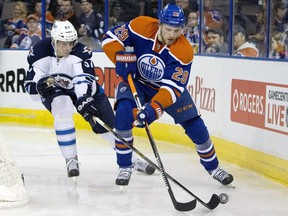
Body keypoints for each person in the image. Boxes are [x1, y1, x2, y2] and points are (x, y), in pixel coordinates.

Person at [102, 4, 234, 187]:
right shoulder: (141, 26)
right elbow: (109, 38)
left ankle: (213, 168)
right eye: (169, 29)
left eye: (177, 30)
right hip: (137, 82)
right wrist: (119, 57)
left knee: (196, 126)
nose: (172, 34)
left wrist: (152, 110)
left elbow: (171, 90)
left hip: (165, 88)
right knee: (123, 115)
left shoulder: (184, 51)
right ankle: (125, 165)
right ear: (160, 24)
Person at [24, 20, 155, 180]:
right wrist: (38, 88)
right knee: (62, 107)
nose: (67, 48)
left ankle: (132, 160)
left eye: (70, 43)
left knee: (108, 128)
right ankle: (71, 159)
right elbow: (32, 88)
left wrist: (83, 99)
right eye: (63, 44)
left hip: (88, 92)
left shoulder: (80, 52)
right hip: (58, 92)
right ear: (54, 41)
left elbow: (83, 79)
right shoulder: (39, 51)